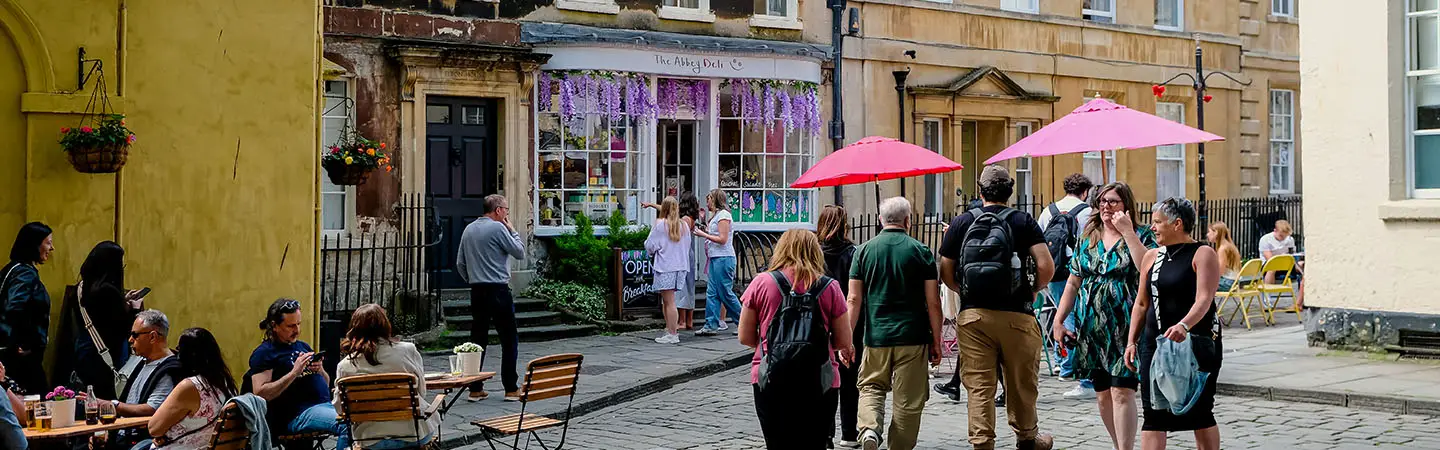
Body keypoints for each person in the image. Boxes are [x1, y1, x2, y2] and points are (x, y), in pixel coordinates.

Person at [938, 165, 1055, 450]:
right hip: (1017, 312)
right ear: (1010, 191)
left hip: (974, 315)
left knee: (979, 385)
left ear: (980, 191)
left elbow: (946, 271)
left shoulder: (962, 222)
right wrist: (1032, 288)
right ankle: (1027, 437)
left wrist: (964, 291)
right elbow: (1046, 266)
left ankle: (982, 442)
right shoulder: (1022, 221)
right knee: (1021, 382)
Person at [1052, 182, 1157, 450]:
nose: (1106, 207)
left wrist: (1128, 232)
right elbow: (1073, 282)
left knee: (1122, 391)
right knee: (1102, 395)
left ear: (1126, 206)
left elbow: (1146, 268)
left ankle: (1125, 448)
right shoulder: (1089, 236)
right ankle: (1117, 444)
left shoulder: (1141, 234)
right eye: (1102, 202)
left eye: (1113, 202)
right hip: (1092, 326)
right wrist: (1059, 320)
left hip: (1126, 325)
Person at [739, 229, 854, 450]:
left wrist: (776, 345)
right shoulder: (830, 287)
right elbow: (843, 341)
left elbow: (744, 337)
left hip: (770, 376)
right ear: (815, 252)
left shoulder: (762, 283)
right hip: (820, 379)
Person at [1126, 198, 1223, 450]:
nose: (1152, 227)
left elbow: (1204, 298)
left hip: (1195, 342)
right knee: (1153, 414)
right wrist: (1131, 341)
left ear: (1177, 223)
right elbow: (1141, 303)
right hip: (1154, 344)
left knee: (1199, 413)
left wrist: (1184, 325)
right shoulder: (1151, 257)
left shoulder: (1203, 253)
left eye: (1157, 222)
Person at [847, 197, 942, 450]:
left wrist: (846, 340)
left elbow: (854, 299)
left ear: (880, 220)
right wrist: (937, 340)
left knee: (870, 387)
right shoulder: (921, 252)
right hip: (913, 336)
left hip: (876, 336)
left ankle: (868, 429)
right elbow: (933, 302)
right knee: (909, 400)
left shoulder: (863, 251)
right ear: (908, 220)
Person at [334, 304, 436, 449]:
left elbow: (340, 409)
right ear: (385, 324)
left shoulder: (345, 365)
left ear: (354, 328)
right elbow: (421, 392)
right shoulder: (408, 350)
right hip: (414, 433)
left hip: (370, 439)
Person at [456, 194, 525, 402]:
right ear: (497, 210)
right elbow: (519, 252)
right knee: (509, 339)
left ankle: (475, 387)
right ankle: (511, 388)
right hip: (498, 290)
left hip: (477, 291)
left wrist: (473, 279)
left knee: (477, 340)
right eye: (505, 209)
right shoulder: (499, 228)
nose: (506, 213)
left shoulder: (469, 229)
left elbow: (460, 263)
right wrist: (512, 229)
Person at [245, 299, 342, 444]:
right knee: (346, 424)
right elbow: (260, 393)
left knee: (360, 419)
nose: (297, 330)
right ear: (274, 326)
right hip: (298, 413)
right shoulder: (265, 353)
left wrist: (320, 370)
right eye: (290, 326)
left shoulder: (303, 346)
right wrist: (294, 373)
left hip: (324, 405)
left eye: (298, 324)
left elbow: (325, 383)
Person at [1036, 174, 1096, 400]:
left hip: (1054, 268)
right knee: (1075, 314)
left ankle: (1063, 361)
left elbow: (1040, 238)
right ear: (1085, 191)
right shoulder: (1087, 212)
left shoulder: (1049, 210)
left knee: (1062, 312)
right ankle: (1070, 364)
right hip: (1076, 268)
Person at [92, 310, 182, 449]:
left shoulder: (169, 369)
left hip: (139, 442)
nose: (130, 340)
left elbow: (153, 409)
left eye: (135, 335)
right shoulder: (142, 361)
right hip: (122, 435)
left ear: (152, 337)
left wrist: (111, 406)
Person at [70, 241, 147, 401]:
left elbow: (98, 316)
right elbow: (123, 329)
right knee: (108, 400)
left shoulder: (80, 287)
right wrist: (134, 309)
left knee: (90, 399)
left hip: (85, 350)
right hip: (108, 356)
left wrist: (121, 302)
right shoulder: (108, 291)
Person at [817, 205, 862, 448]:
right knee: (848, 380)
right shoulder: (853, 253)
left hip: (820, 322)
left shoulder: (814, 254)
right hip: (847, 321)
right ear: (845, 225)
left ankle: (826, 435)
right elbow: (856, 294)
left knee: (825, 380)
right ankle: (849, 432)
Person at [149, 328, 239, 450]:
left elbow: (154, 428)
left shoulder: (190, 386)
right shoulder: (225, 383)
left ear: (187, 355)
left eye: (179, 350)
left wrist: (165, 436)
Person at [1, 222, 53, 394]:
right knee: (37, 403)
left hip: (12, 352)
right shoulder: (25, 273)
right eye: (48, 242)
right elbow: (15, 308)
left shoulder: (12, 269)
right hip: (20, 357)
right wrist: (22, 343)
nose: (51, 248)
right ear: (35, 244)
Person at [694, 189, 742, 336]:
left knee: (725, 293)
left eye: (709, 199)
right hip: (716, 258)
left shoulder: (724, 216)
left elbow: (722, 239)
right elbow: (714, 233)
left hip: (724, 258)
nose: (707, 202)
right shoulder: (716, 216)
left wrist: (703, 234)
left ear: (715, 200)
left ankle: (745, 322)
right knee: (712, 292)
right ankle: (710, 324)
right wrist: (704, 225)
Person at [646, 196, 693, 344]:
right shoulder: (684, 225)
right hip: (681, 267)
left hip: (666, 266)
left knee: (668, 302)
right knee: (670, 300)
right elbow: (687, 246)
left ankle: (673, 334)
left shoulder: (661, 225)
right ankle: (670, 329)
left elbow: (650, 245)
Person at [1258, 220, 1301, 285]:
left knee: (1302, 265)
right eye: (1281, 235)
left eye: (1285, 236)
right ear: (1275, 230)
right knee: (1272, 268)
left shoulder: (1290, 239)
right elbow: (1269, 259)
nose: (1283, 238)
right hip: (1269, 263)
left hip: (1286, 263)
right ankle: (1268, 290)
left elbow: (1292, 254)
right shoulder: (1265, 239)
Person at [1206, 222, 1242, 292]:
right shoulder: (1230, 245)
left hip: (1228, 283)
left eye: (1209, 232)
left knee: (1197, 284)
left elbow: (1220, 271)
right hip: (1234, 282)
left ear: (1216, 233)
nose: (1207, 234)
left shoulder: (1223, 249)